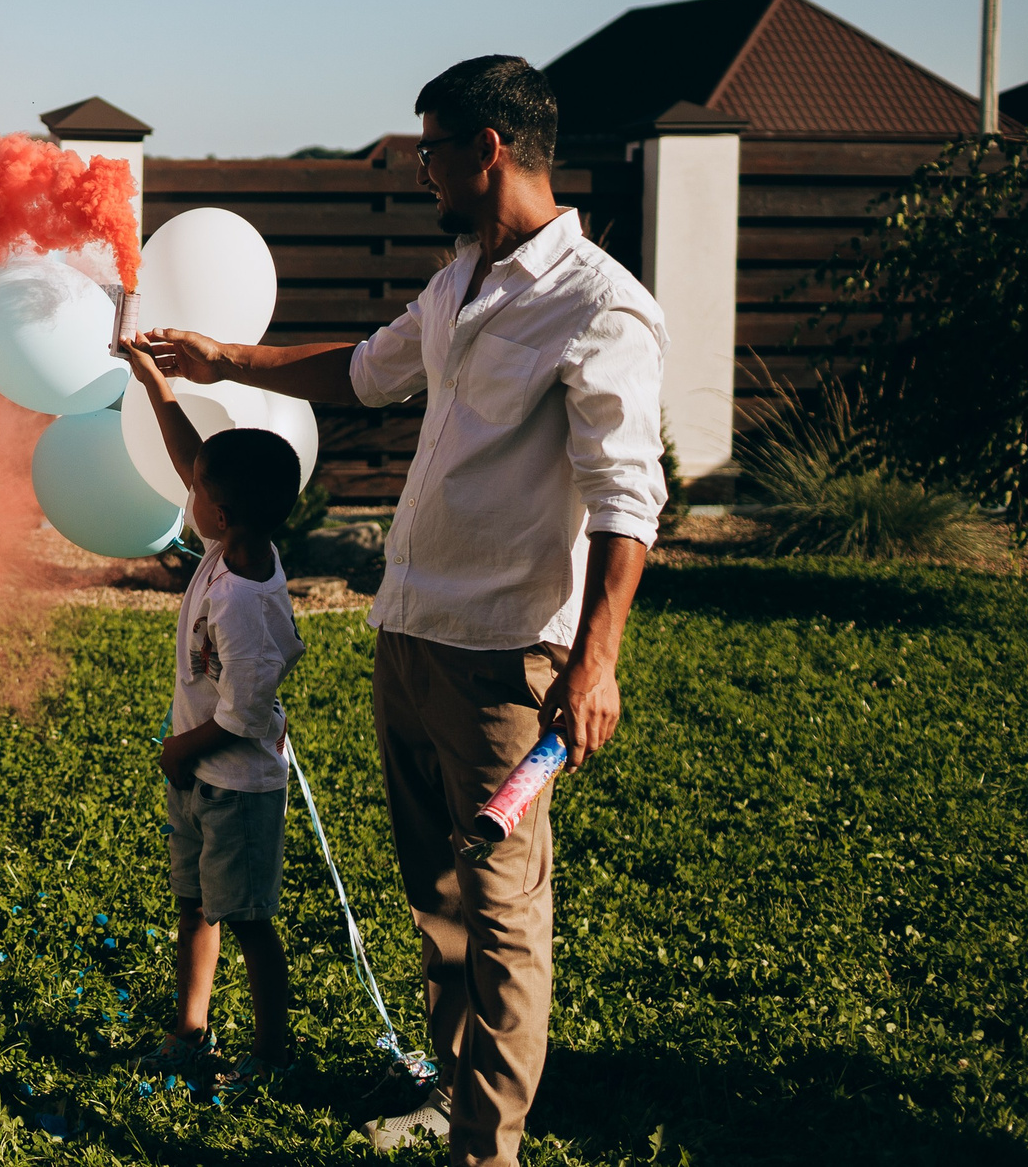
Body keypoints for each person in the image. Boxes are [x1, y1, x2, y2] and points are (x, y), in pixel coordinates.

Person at [128, 56, 666, 1167]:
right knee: (437, 903)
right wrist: (225, 358)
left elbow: (626, 495)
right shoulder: (459, 280)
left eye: (429, 150)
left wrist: (596, 658)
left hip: (503, 661)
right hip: (408, 639)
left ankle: (487, 1149)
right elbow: (364, 372)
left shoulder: (602, 305)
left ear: (488, 152)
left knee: (504, 914)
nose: (418, 170)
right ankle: (447, 1089)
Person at [117, 391, 307, 1105]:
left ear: (219, 513)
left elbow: (245, 716)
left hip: (233, 783)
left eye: (198, 490)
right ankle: (191, 1030)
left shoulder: (246, 601)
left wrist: (180, 750)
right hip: (202, 777)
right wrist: (153, 385)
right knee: (193, 905)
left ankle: (272, 1053)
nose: (187, 491)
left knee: (250, 921)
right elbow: (191, 458)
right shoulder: (232, 548)